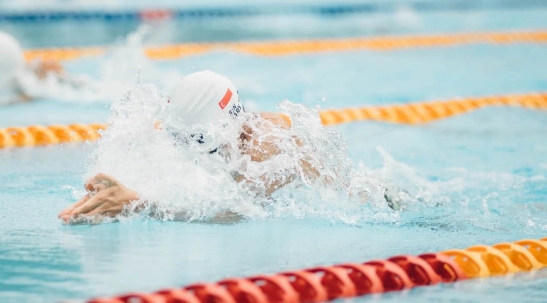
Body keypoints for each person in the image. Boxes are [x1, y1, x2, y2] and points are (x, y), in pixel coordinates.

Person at [58, 71, 403, 224]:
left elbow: (228, 211)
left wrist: (139, 203)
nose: (189, 149)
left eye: (199, 143)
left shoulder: (270, 148)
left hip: (375, 201)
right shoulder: (207, 126)